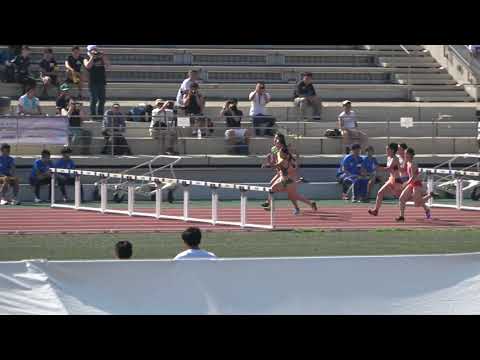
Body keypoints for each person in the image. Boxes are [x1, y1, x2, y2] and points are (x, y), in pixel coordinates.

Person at [261, 133, 317, 215]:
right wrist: (271, 163)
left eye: (276, 139)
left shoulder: (283, 151)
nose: (275, 140)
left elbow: (282, 163)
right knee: (291, 194)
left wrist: (269, 165)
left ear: (280, 141)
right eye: (275, 138)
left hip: (289, 176)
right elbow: (278, 163)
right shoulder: (276, 150)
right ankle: (309, 203)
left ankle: (270, 204)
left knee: (278, 190)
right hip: (284, 174)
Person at [397, 148, 435, 222]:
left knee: (417, 204)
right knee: (402, 198)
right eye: (404, 154)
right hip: (411, 184)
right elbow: (402, 170)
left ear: (410, 155)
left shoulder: (413, 164)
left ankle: (430, 195)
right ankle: (402, 216)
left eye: (406, 154)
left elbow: (413, 177)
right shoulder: (407, 162)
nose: (404, 155)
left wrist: (406, 183)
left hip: (416, 184)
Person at [368, 143, 404, 217]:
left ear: (392, 150)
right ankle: (376, 210)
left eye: (388, 149)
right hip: (391, 180)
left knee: (405, 198)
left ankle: (423, 203)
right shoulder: (389, 158)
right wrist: (378, 168)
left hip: (397, 181)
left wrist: (377, 168)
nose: (386, 151)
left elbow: (388, 169)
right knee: (380, 192)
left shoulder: (395, 159)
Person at [84, 45, 110, 120]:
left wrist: (103, 56)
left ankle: (100, 115)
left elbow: (108, 65)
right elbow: (88, 66)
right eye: (92, 50)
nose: (94, 51)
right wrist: (92, 57)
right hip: (92, 82)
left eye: (95, 49)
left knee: (102, 99)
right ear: (88, 51)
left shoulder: (101, 58)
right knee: (94, 99)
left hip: (101, 81)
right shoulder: (86, 58)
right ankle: (93, 116)